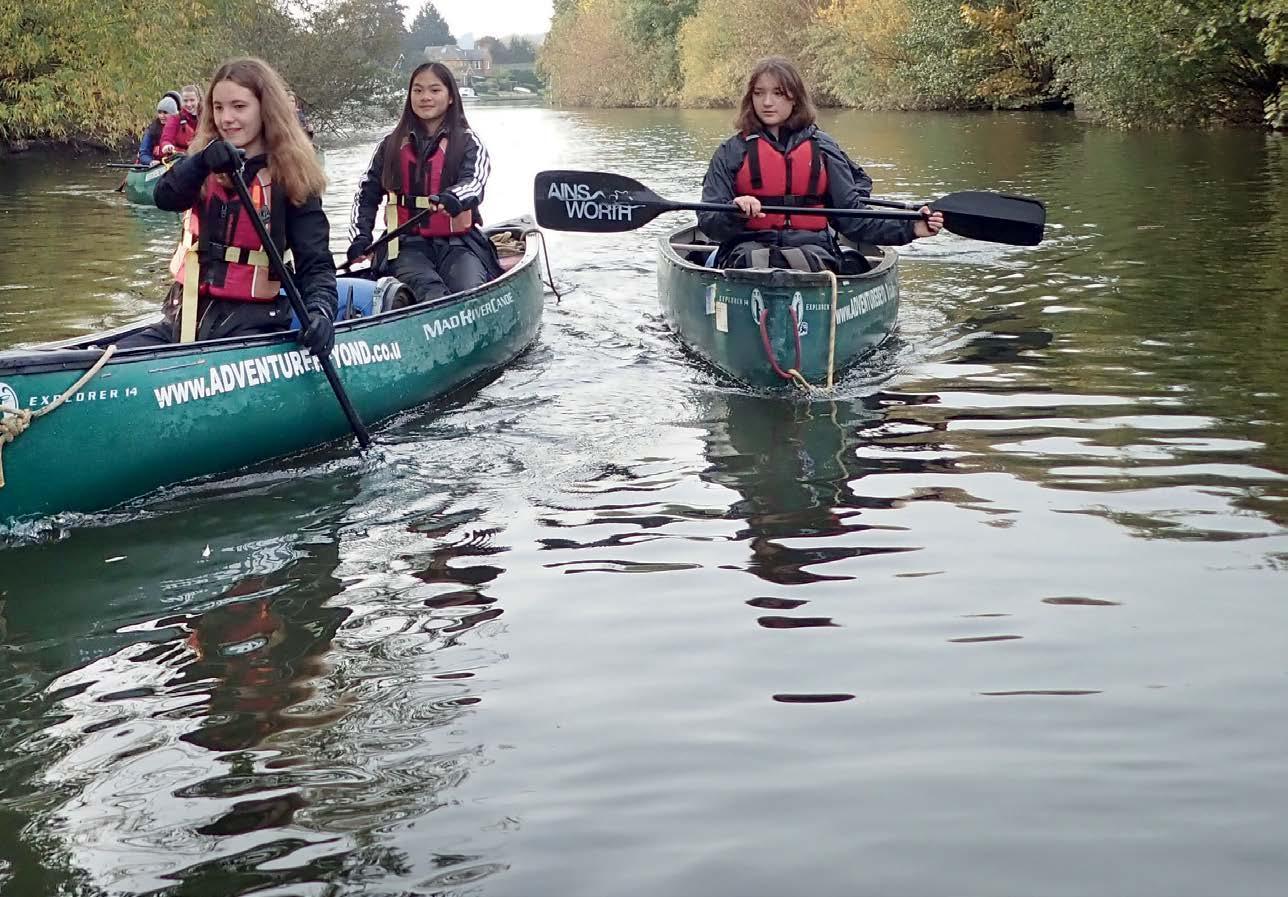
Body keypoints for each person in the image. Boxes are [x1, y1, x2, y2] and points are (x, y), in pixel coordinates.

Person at [115, 58, 336, 354]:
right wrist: (200, 162)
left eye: (239, 107)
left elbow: (316, 262)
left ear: (265, 109)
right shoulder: (202, 164)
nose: (226, 118)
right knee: (107, 358)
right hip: (186, 313)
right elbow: (165, 197)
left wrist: (321, 310)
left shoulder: (292, 177)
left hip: (253, 323)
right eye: (218, 107)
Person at [699, 56, 943, 271]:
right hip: (746, 245)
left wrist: (912, 227)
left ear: (795, 98)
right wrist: (734, 210)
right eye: (759, 93)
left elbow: (854, 219)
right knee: (751, 260)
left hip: (812, 247)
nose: (767, 102)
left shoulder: (823, 148)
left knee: (809, 262)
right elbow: (710, 223)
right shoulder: (730, 152)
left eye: (778, 93)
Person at [347, 61, 500, 306]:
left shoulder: (469, 142)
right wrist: (361, 238)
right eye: (417, 91)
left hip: (459, 244)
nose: (425, 97)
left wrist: (453, 197)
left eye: (434, 90)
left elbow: (475, 182)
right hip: (404, 245)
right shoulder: (389, 145)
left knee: (469, 293)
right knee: (430, 292)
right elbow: (366, 194)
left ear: (451, 97)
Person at [159, 83, 202, 158]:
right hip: (182, 158)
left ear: (198, 99)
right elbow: (166, 139)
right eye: (185, 101)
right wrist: (167, 146)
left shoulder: (207, 117)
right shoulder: (175, 118)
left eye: (192, 100)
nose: (189, 104)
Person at [137, 92, 181, 164]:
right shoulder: (152, 129)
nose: (162, 116)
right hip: (155, 165)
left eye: (165, 113)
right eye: (160, 112)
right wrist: (150, 161)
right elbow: (144, 153)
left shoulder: (182, 127)